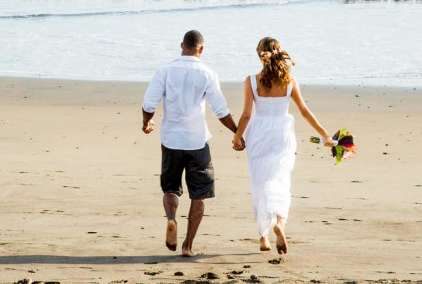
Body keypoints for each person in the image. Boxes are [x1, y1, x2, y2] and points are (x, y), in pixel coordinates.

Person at [142, 30, 240, 257]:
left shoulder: (164, 71)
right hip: (197, 142)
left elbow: (148, 105)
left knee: (170, 188)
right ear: (201, 49)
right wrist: (237, 133)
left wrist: (146, 123)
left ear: (181, 45)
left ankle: (171, 219)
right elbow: (220, 110)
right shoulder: (207, 73)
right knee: (199, 194)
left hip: (170, 141)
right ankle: (187, 245)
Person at [231, 37, 333, 254]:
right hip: (282, 134)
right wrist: (324, 135)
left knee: (259, 183)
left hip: (258, 134)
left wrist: (237, 137)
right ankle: (280, 224)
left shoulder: (251, 81)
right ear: (280, 53)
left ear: (260, 54)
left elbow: (247, 114)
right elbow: (304, 112)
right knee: (280, 181)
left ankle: (263, 238)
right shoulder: (290, 82)